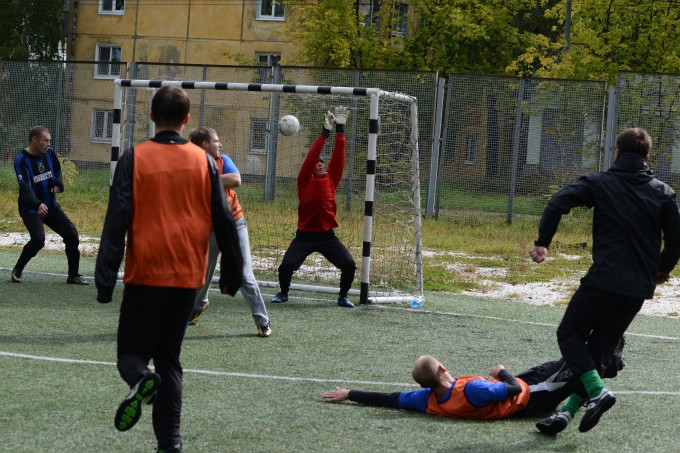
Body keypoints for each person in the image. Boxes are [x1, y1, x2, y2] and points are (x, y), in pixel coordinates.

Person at [94, 86, 243, 453]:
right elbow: (224, 219)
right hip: (187, 278)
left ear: (151, 117)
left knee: (130, 356)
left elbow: (116, 219)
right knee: (170, 361)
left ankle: (141, 379)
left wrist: (105, 279)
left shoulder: (135, 157)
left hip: (146, 274)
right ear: (186, 120)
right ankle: (170, 443)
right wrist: (231, 274)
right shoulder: (204, 161)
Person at [529, 127, 680, 434]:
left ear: (617, 152)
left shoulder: (599, 182)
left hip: (604, 280)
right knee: (598, 350)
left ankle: (598, 392)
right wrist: (662, 269)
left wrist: (543, 242)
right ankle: (566, 414)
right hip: (637, 288)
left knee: (570, 333)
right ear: (647, 157)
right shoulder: (663, 192)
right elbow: (676, 240)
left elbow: (558, 202)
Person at [321, 346, 625, 421]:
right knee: (578, 360)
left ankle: (607, 361)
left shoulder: (426, 400)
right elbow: (513, 389)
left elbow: (388, 398)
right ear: (442, 368)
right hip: (531, 396)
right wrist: (502, 372)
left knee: (569, 364)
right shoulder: (471, 390)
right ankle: (613, 358)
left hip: (526, 387)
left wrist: (350, 393)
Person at [186, 126, 272, 337]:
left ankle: (262, 321)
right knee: (200, 276)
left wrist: (205, 179)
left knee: (244, 275)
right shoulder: (188, 166)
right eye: (217, 141)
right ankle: (199, 305)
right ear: (205, 144)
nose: (220, 144)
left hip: (235, 225)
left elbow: (236, 179)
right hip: (207, 229)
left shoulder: (223, 160)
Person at [271, 106, 357, 308]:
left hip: (327, 237)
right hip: (305, 236)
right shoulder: (304, 181)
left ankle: (343, 297)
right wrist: (325, 133)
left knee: (349, 265)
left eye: (322, 162)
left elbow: (339, 158)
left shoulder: (331, 180)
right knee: (286, 266)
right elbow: (311, 156)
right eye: (316, 162)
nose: (320, 163)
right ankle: (283, 293)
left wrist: (340, 130)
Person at [11, 126, 88, 285]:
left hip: (51, 206)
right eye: (45, 140)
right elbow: (25, 187)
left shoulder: (50, 153)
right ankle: (17, 269)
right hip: (31, 208)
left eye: (49, 141)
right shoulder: (21, 160)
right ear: (34, 140)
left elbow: (57, 170)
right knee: (38, 240)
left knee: (72, 235)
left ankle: (73, 276)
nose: (48, 144)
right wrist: (37, 204)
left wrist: (58, 184)